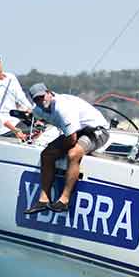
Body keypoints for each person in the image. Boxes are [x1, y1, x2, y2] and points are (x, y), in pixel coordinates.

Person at [24, 83, 109, 214]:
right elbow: (38, 117)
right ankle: (43, 200)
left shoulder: (62, 107)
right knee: (46, 155)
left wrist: (57, 150)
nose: (41, 100)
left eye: (42, 96)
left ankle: (64, 201)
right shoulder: (38, 109)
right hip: (77, 131)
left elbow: (72, 139)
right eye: (36, 99)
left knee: (73, 154)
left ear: (49, 93)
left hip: (97, 131)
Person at [0, 51, 32, 141]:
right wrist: (15, 130)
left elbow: (22, 99)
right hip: (5, 129)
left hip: (19, 122)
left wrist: (33, 113)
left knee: (43, 127)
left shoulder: (11, 77)